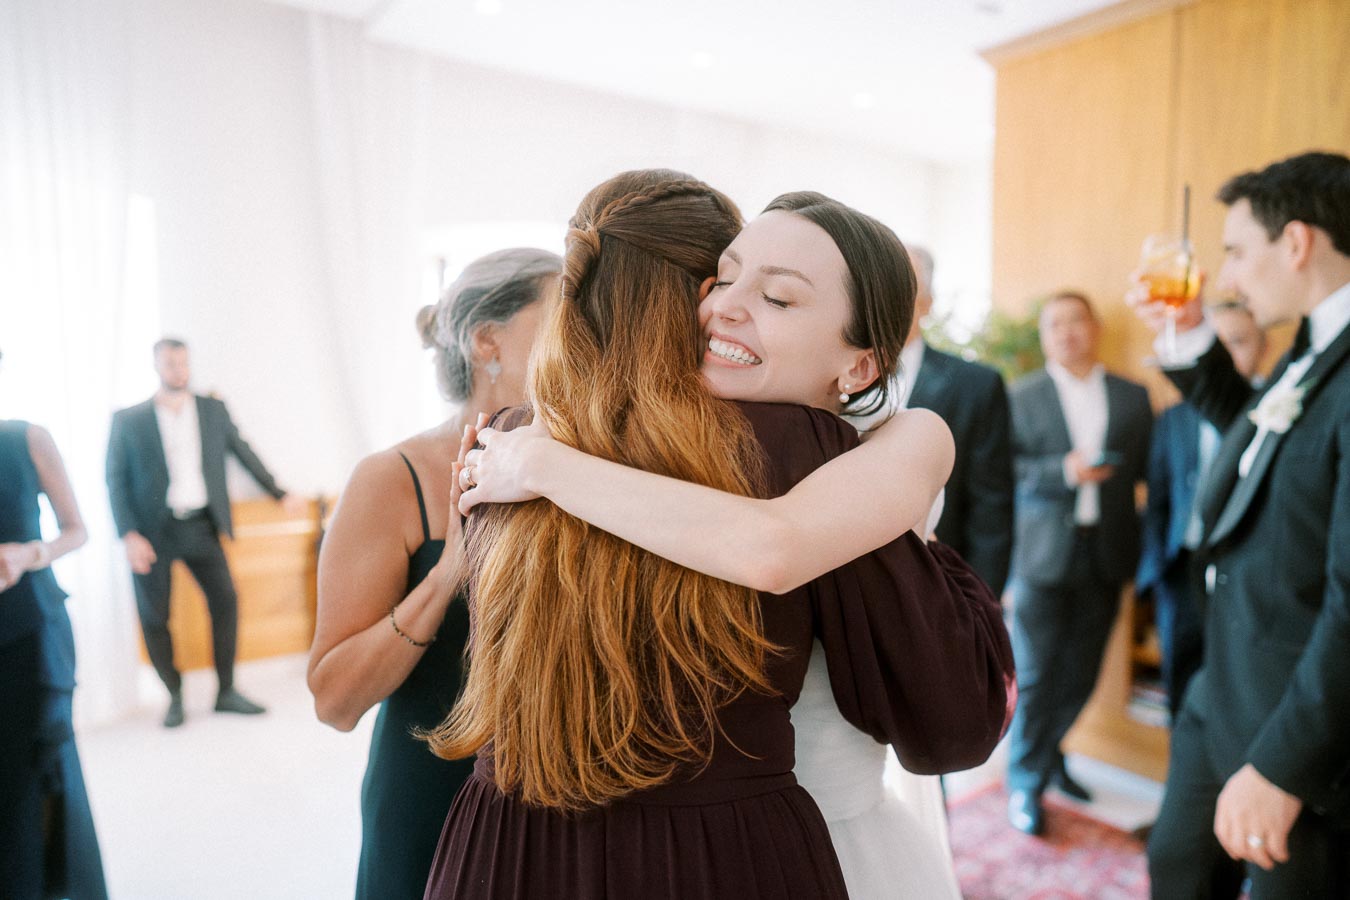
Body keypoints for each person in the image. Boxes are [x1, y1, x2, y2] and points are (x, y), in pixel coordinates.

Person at [430, 172, 1014, 899]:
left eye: (779, 298)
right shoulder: (540, 443)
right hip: (718, 846)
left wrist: (541, 465)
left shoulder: (519, 442)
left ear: (861, 364)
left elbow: (775, 546)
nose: (726, 307)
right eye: (721, 279)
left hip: (510, 849)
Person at [306, 248, 560, 900]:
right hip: (432, 796)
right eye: (563, 321)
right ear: (487, 341)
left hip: (564, 799)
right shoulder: (391, 479)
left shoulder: (588, 472)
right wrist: (449, 574)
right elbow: (335, 701)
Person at [1134, 151, 1350, 898]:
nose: (1225, 277)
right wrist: (1189, 332)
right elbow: (1259, 440)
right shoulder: (1313, 348)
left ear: (1296, 242)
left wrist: (1285, 766)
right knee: (1176, 867)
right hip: (1220, 687)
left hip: (1301, 715)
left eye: (1234, 251)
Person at [1005, 290, 1152, 835]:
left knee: (1082, 673)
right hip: (1041, 556)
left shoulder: (1132, 396)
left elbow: (1149, 471)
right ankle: (1026, 782)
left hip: (1107, 551)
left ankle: (1051, 757)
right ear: (1045, 336)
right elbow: (1005, 471)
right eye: (1054, 324)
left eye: (1075, 321)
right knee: (1037, 675)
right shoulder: (1021, 396)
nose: (1066, 332)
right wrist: (1062, 472)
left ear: (1094, 328)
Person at [106, 338, 303, 727]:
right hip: (152, 532)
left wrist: (279, 492)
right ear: (156, 366)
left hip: (202, 525)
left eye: (183, 362)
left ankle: (226, 691)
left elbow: (243, 451)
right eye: (170, 363)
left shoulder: (212, 409)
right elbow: (115, 480)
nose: (178, 369)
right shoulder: (129, 419)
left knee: (226, 600)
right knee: (154, 616)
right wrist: (129, 535)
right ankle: (174, 694)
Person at [1, 352, 108, 899]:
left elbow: (77, 530)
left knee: (34, 776)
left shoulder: (27, 439)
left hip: (31, 633)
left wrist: (28, 554)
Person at [1135, 301, 1266, 719]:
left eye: (1238, 342)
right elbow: (1158, 499)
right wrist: (1157, 571)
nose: (1224, 354)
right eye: (1218, 342)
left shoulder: (1273, 412)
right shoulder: (1174, 417)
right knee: (1181, 681)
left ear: (1263, 347)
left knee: (1241, 690)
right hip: (1182, 571)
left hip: (1247, 574)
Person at [892, 244, 1014, 595]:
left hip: (940, 583)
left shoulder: (976, 385)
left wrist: (979, 599)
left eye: (904, 285)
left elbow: (991, 506)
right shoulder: (827, 375)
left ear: (927, 303)